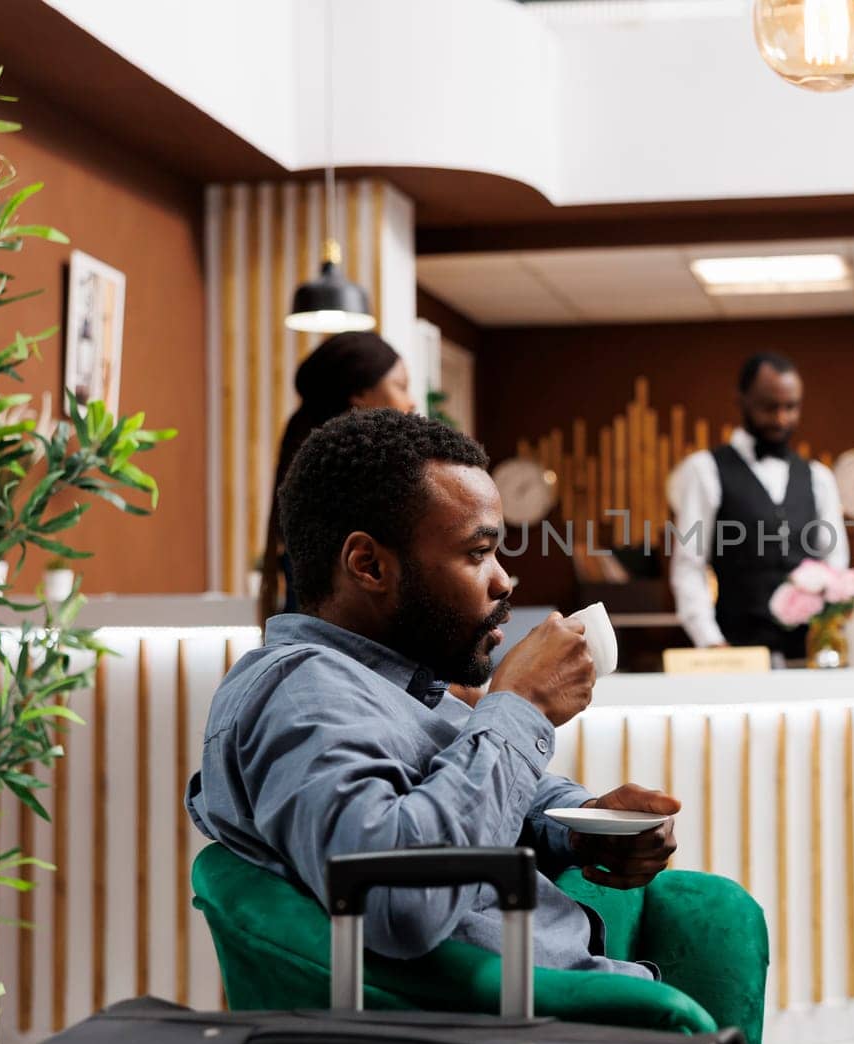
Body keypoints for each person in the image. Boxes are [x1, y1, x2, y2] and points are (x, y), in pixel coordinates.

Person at [187, 409, 681, 973]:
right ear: (368, 565)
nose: (502, 580)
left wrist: (584, 824)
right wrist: (520, 707)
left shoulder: (389, 684)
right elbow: (398, 899)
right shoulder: (305, 696)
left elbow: (466, 801)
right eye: (478, 552)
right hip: (538, 1028)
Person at [667, 352, 849, 658]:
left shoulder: (819, 478)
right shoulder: (705, 470)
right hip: (735, 648)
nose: (781, 419)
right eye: (769, 407)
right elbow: (689, 565)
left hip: (807, 651)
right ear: (742, 401)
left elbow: (835, 564)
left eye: (790, 407)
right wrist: (711, 641)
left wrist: (829, 629)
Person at [257, 332, 419, 619]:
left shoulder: (315, 476)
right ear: (359, 394)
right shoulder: (353, 481)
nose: (412, 402)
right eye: (400, 386)